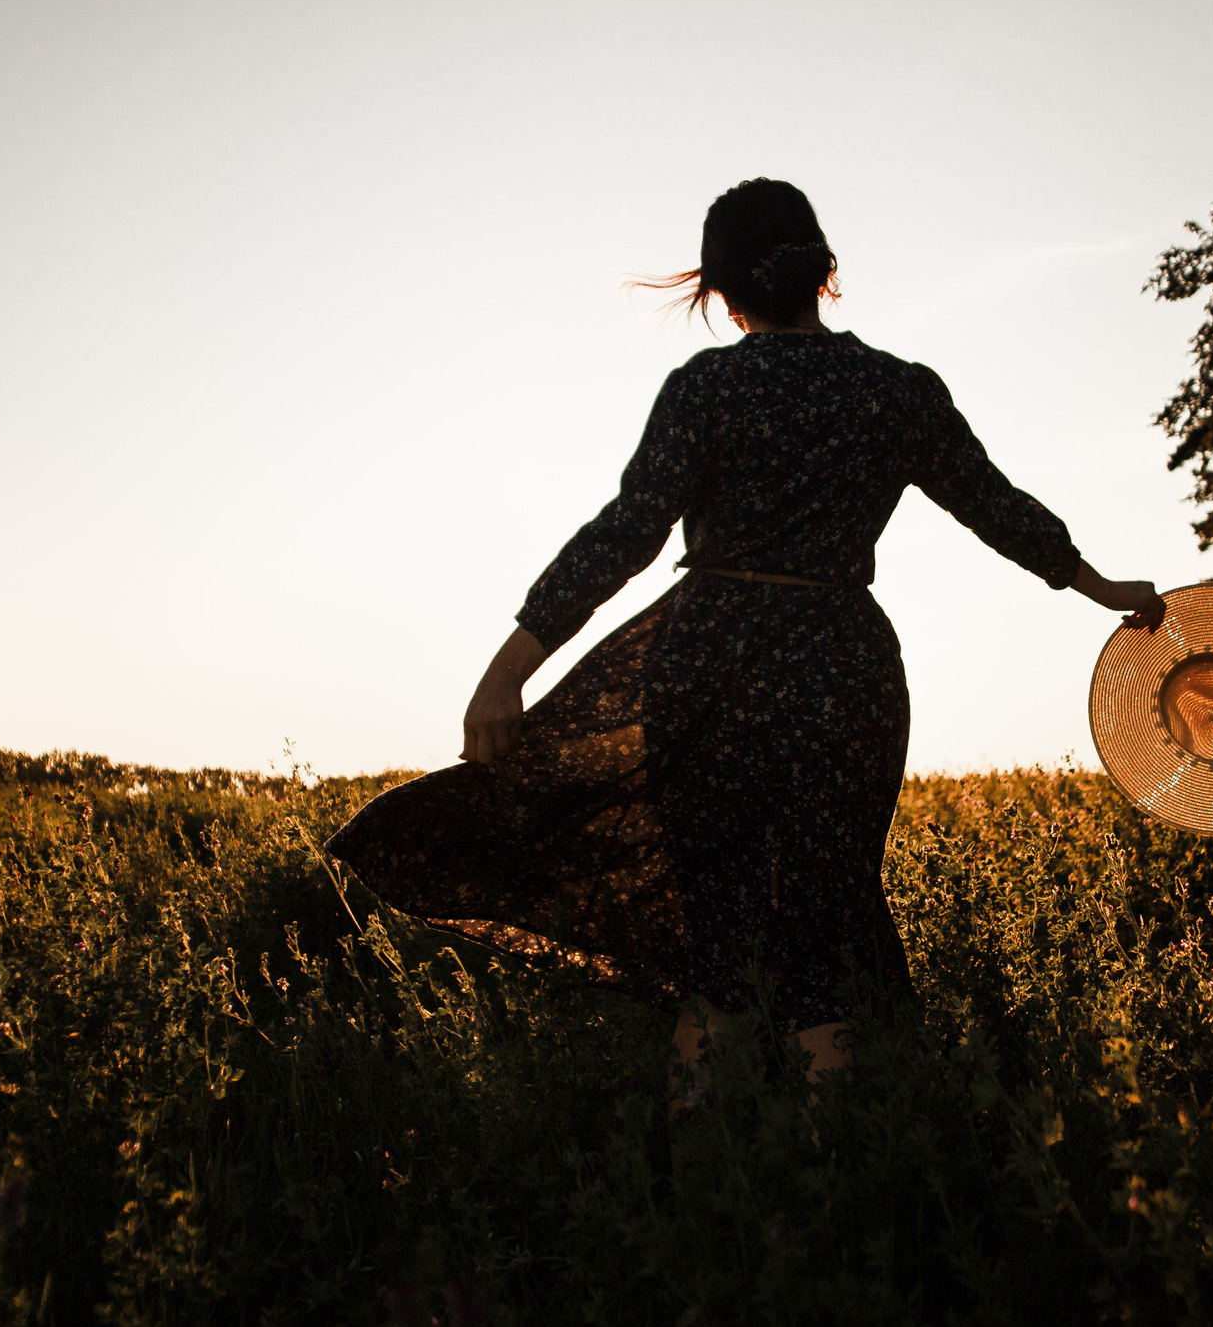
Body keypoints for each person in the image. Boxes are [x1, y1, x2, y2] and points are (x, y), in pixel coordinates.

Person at [327, 178, 1163, 1089]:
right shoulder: (898, 391)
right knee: (827, 926)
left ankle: (708, 1161)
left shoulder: (708, 388)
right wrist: (1100, 586)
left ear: (720, 290)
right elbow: (997, 508)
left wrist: (507, 671)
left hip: (710, 662)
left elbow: (625, 534)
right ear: (825, 271)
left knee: (719, 940)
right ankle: (835, 1161)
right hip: (841, 667)